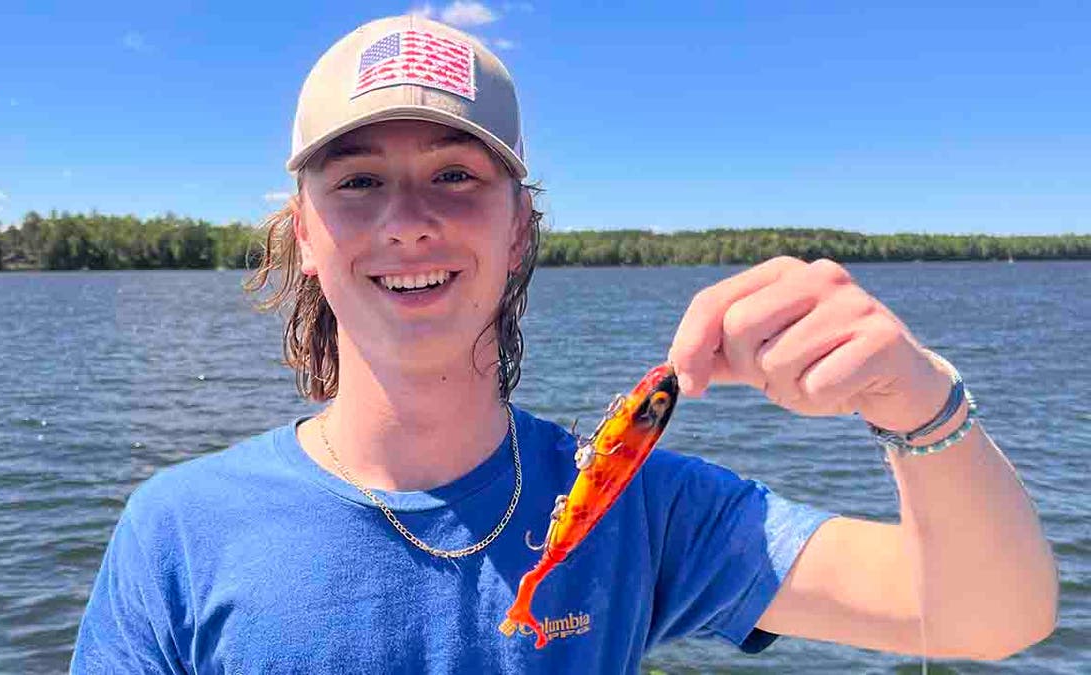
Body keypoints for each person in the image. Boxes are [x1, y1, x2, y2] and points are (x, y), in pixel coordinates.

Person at [70, 15, 1057, 673]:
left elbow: (988, 616)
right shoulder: (177, 530)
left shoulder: (643, 505)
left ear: (520, 232)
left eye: (456, 175)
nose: (408, 220)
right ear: (307, 239)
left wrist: (919, 404)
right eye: (359, 181)